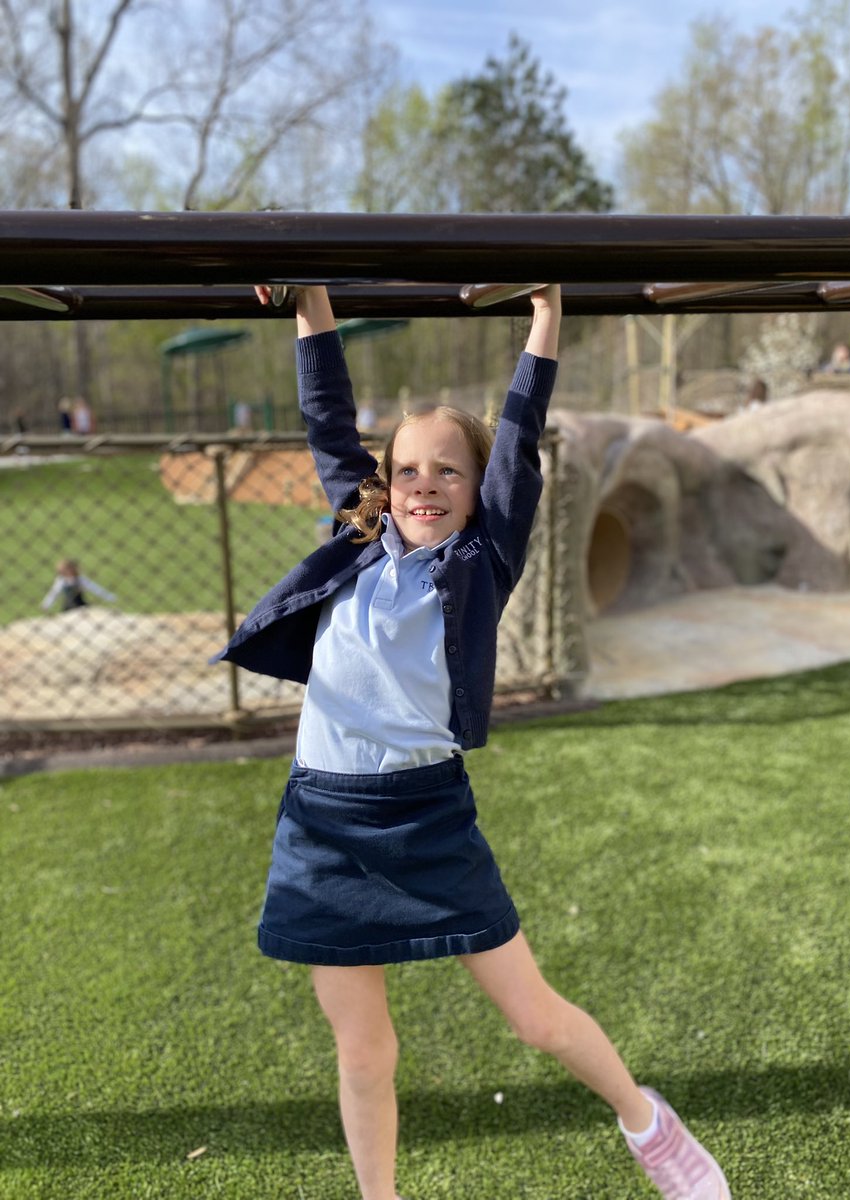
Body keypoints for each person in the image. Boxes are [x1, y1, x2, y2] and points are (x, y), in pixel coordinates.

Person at [214, 284, 731, 1200]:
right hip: (325, 825)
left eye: (448, 472)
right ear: (383, 483)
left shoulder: (481, 564)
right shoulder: (358, 535)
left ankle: (647, 1124)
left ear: (476, 491)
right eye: (408, 469)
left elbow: (519, 434)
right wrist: (310, 300)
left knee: (532, 1016)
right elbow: (328, 418)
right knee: (366, 1051)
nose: (424, 485)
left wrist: (544, 318)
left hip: (426, 820)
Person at [41, 558, 117, 612]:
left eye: (68, 569)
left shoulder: (80, 579)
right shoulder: (61, 581)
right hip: (68, 607)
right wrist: (46, 604)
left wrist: (110, 597)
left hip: (80, 605)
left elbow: (95, 589)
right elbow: (54, 593)